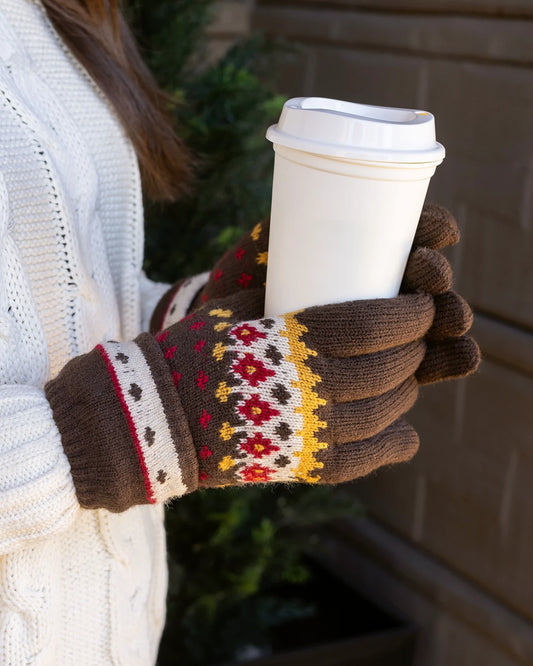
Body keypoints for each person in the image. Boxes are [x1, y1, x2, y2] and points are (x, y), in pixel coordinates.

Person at [0, 0, 480, 663]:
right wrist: (136, 423)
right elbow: (120, 415)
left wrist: (221, 310)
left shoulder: (45, 14)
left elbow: (51, 299)